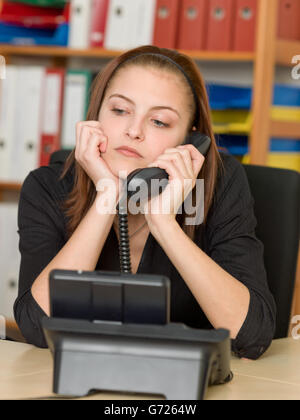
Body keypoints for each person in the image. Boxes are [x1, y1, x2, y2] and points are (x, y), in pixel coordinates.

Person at [14, 45, 276, 359]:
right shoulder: (47, 187)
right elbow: (36, 326)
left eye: (160, 122)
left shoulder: (218, 184)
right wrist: (107, 196)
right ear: (96, 115)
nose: (133, 131)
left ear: (190, 140)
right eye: (120, 110)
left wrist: (164, 223)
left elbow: (253, 335)